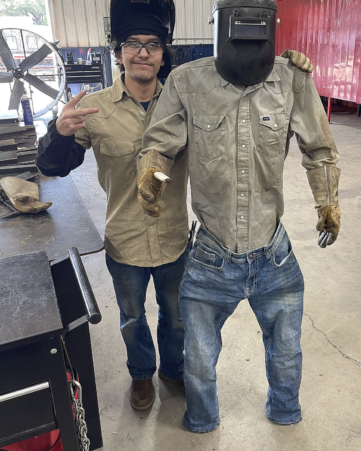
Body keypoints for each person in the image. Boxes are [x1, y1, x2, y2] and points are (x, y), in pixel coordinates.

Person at [137, 0, 340, 433]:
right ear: (218, 26)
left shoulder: (292, 80)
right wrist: (149, 172)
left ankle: (285, 411)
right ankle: (202, 418)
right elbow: (160, 142)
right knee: (200, 358)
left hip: (274, 255)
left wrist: (328, 202)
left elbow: (318, 148)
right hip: (212, 255)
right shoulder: (187, 82)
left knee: (286, 351)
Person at [36, 0, 190, 411]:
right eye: (132, 43)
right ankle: (141, 375)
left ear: (163, 53)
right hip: (125, 240)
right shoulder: (96, 108)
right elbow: (54, 166)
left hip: (175, 237)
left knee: (176, 316)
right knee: (133, 317)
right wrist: (59, 132)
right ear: (118, 51)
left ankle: (174, 370)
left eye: (152, 44)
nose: (142, 52)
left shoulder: (184, 104)